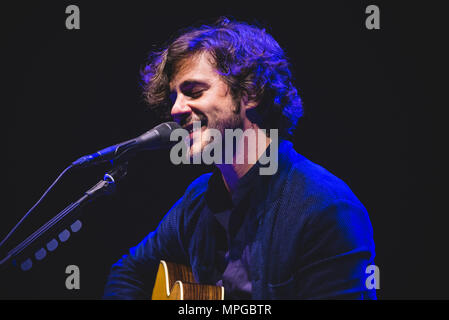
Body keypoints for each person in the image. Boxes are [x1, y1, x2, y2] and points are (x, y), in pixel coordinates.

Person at [103, 17, 376, 300]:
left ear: (251, 91)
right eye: (174, 97)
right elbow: (128, 271)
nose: (176, 109)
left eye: (194, 91)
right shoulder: (198, 201)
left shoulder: (326, 208)